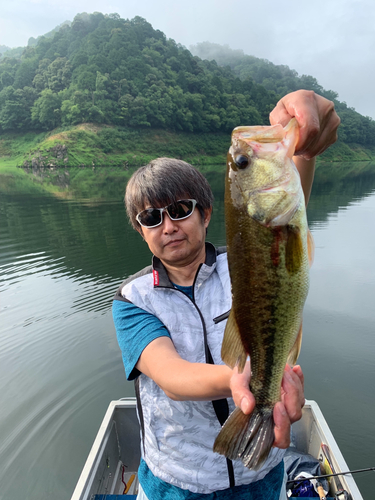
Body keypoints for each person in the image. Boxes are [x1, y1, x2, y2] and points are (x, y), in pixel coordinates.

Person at [112, 90, 340, 500]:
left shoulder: (247, 264)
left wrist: (306, 142)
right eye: (151, 217)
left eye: (180, 209)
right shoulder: (133, 299)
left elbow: (287, 209)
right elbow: (172, 377)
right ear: (140, 229)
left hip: (261, 473)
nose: (168, 226)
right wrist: (248, 382)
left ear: (207, 213)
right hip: (176, 480)